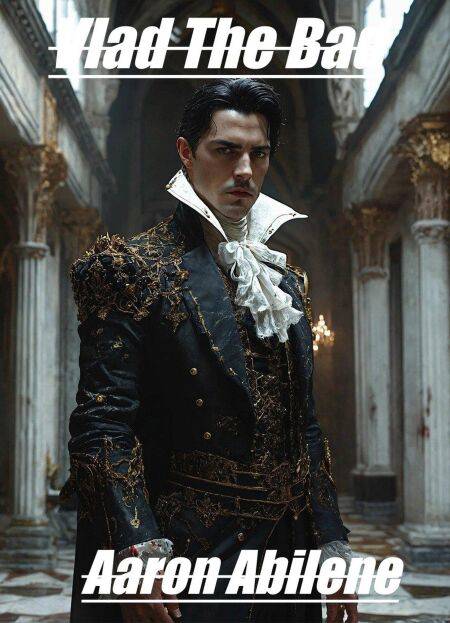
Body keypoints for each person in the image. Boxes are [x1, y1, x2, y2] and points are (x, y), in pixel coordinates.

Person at [63, 78, 358, 623]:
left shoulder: (286, 284)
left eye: (258, 154)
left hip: (286, 552)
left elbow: (305, 427)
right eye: (226, 150)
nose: (244, 170)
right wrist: (136, 550)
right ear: (186, 152)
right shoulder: (130, 268)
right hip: (187, 549)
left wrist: (331, 542)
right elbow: (103, 426)